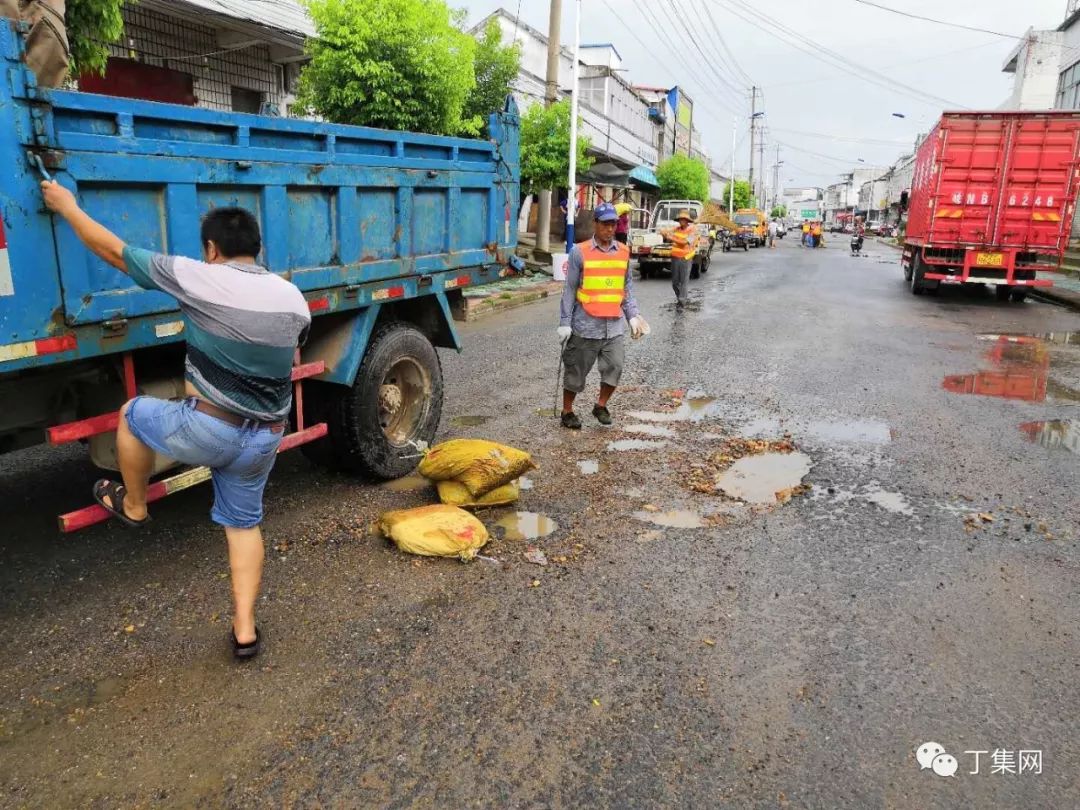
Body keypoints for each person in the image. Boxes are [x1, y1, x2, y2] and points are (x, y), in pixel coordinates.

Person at [40, 181, 310, 662]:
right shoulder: (293, 298)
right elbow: (291, 350)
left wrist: (66, 206)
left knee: (132, 414)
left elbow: (114, 251)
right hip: (266, 436)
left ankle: (136, 505)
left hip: (208, 430)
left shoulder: (195, 275)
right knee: (244, 525)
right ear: (257, 249)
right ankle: (244, 631)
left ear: (211, 248)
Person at [557, 203, 649, 429]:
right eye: (605, 224)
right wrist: (565, 323)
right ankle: (567, 411)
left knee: (615, 367)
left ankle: (600, 405)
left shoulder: (624, 252)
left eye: (613, 224)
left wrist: (633, 316)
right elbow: (569, 289)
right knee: (576, 372)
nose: (610, 228)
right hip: (585, 325)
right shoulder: (579, 251)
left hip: (614, 327)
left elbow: (625, 289)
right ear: (595, 224)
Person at [661, 210, 699, 311]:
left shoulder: (693, 230)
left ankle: (682, 302)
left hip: (686, 258)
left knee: (684, 281)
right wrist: (664, 233)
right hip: (675, 257)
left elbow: (684, 242)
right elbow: (667, 234)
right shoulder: (676, 229)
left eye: (683, 219)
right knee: (675, 282)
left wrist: (671, 237)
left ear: (687, 221)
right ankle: (680, 298)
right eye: (680, 219)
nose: (681, 221)